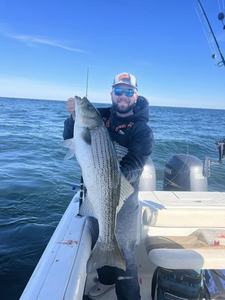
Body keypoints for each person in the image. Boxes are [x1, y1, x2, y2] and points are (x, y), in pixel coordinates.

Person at [63, 72, 154, 300]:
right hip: (94, 193)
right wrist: (74, 116)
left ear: (136, 96)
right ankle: (105, 281)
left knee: (124, 252)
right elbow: (71, 137)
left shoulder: (142, 130)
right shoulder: (98, 116)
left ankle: (129, 296)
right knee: (99, 238)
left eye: (129, 91)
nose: (123, 96)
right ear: (112, 93)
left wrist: (109, 180)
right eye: (119, 90)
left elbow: (135, 165)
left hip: (123, 198)